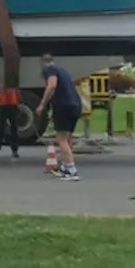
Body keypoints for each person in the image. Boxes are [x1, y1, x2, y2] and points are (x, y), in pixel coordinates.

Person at [35, 53, 82, 181]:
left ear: (41, 62)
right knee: (67, 139)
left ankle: (72, 170)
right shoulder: (63, 70)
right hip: (76, 105)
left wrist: (42, 104)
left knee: (61, 139)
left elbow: (52, 85)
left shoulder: (49, 70)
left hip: (63, 106)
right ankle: (66, 167)